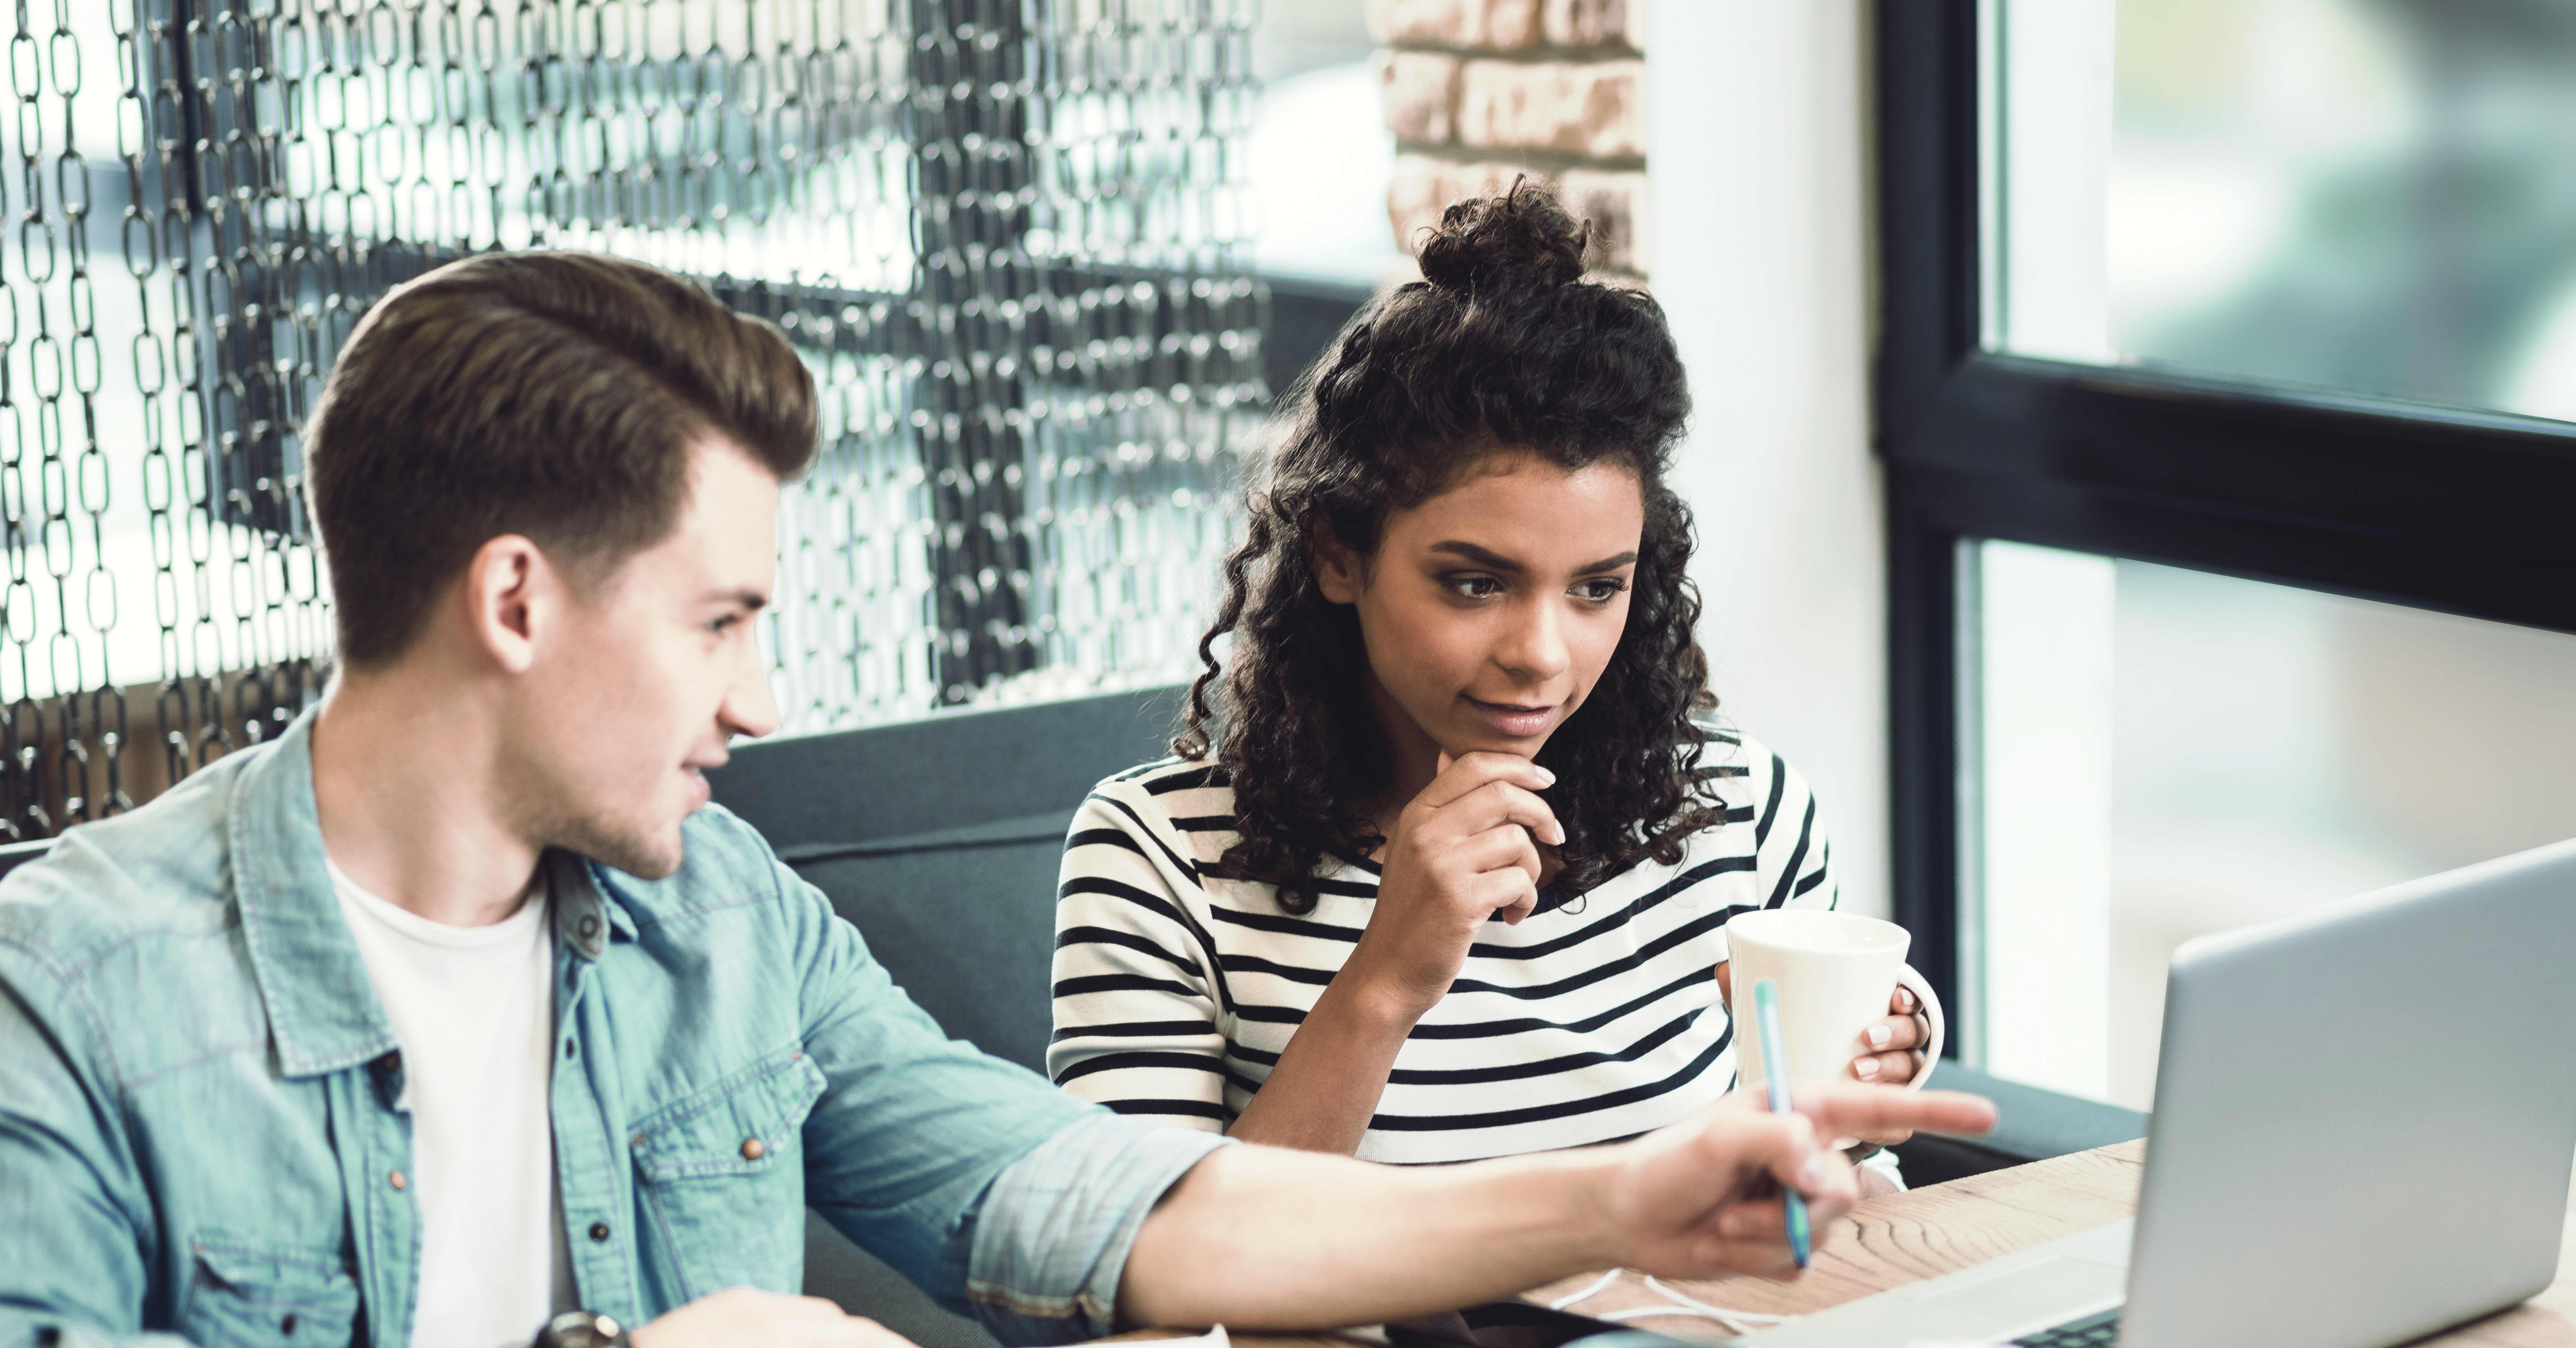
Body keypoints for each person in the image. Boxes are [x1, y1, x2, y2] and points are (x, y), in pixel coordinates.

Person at [0, 251, 1993, 1348]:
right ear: (516, 598)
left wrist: (1632, 1197)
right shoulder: (71, 994)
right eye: (719, 621)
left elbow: (1100, 1204)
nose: (761, 697)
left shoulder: (725, 919)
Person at [1049, 185, 1938, 1181]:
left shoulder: (1736, 811)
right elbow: (1152, 1280)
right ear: (1339, 553)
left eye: (1598, 587)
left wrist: (1868, 1082)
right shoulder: (1161, 858)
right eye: (1475, 583)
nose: (1543, 655)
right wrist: (1387, 977)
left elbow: (1821, 1188)